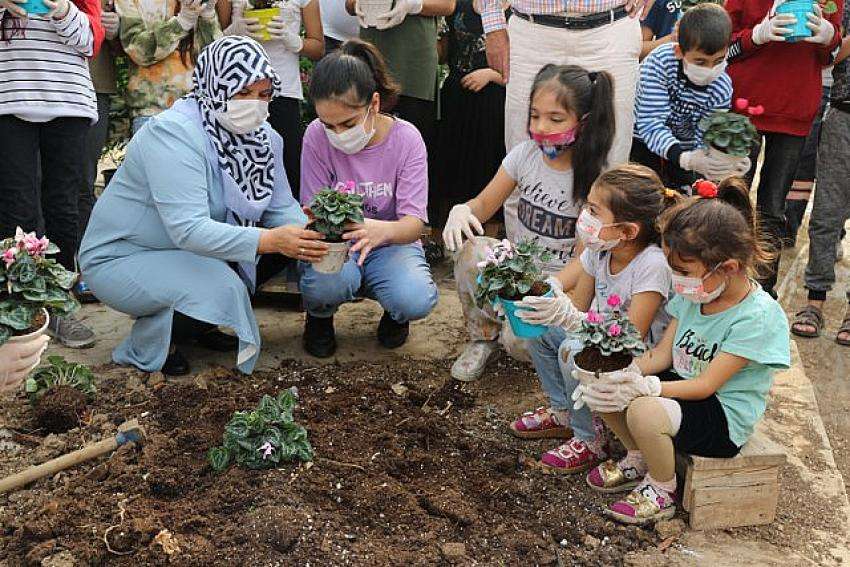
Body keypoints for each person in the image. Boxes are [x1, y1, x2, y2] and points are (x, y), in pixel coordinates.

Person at [80, 36, 326, 375]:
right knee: (229, 283)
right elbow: (188, 229)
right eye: (242, 93)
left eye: (263, 94)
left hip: (190, 253)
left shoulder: (266, 138)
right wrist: (270, 240)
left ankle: (200, 323)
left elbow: (280, 207)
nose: (255, 104)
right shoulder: (172, 134)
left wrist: (309, 235)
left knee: (280, 251)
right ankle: (155, 340)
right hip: (124, 256)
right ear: (215, 85)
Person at [574, 177, 790, 525]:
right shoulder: (698, 294)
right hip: (682, 388)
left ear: (729, 268)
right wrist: (622, 374)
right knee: (603, 380)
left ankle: (661, 489)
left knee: (643, 409)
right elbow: (662, 355)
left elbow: (706, 385)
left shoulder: (758, 317)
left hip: (722, 413)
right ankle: (638, 456)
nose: (677, 282)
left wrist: (648, 388)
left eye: (684, 272)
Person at [442, 64, 615, 382]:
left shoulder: (596, 179)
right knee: (471, 249)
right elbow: (483, 204)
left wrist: (549, 290)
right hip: (516, 271)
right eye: (535, 115)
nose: (542, 127)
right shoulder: (524, 156)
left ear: (584, 122)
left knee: (519, 343)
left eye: (556, 118)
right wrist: (462, 211)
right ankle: (483, 337)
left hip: (558, 288)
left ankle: (540, 347)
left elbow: (584, 261)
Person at [511, 165, 675, 473]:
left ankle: (590, 439)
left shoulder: (651, 265)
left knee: (574, 351)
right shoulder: (601, 248)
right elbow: (574, 299)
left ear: (628, 231)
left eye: (594, 211)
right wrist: (537, 296)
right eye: (587, 206)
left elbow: (630, 338)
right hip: (598, 337)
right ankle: (563, 412)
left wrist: (573, 321)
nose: (584, 216)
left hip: (634, 356)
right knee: (540, 329)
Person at [299, 39, 439, 358]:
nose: (337, 133)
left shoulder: (406, 139)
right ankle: (319, 316)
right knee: (326, 283)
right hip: (337, 246)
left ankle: (396, 313)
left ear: (374, 104)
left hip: (391, 245)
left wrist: (380, 231)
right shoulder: (315, 137)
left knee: (414, 298)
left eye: (347, 123)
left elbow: (414, 224)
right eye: (328, 124)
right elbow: (311, 211)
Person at [0, 0, 103, 348]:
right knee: (16, 208)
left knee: (65, 205)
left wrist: (61, 9)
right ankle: (24, 309)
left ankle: (59, 304)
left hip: (68, 100)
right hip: (10, 98)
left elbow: (90, 42)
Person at [725, 0, 843, 298]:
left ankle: (763, 292)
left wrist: (828, 36)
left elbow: (829, 56)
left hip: (795, 108)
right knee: (731, 199)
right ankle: (724, 282)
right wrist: (758, 34)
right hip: (743, 105)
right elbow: (724, 45)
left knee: (773, 207)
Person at [480, 0, 647, 184]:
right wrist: (493, 24)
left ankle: (601, 213)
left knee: (612, 154)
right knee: (522, 151)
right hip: (531, 32)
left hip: (612, 31)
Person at [631, 3, 745, 192]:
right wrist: (685, 158)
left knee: (686, 195)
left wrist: (724, 159)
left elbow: (706, 135)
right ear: (679, 51)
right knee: (641, 193)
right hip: (642, 141)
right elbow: (650, 123)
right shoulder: (659, 63)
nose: (710, 70)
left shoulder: (721, 87)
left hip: (686, 150)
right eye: (700, 61)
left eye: (718, 61)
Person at [790, 10, 850, 345]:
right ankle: (814, 302)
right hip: (842, 112)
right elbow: (826, 58)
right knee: (827, 212)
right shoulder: (842, 7)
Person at [224, 0, 324, 199]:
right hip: (238, 88)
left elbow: (318, 47)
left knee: (287, 166)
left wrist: (294, 40)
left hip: (284, 89)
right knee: (238, 163)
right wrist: (233, 32)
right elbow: (212, 37)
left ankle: (288, 223)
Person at [431, 0, 506, 230]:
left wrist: (491, 75)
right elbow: (442, 54)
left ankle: (487, 246)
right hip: (456, 97)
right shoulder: (458, 4)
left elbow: (525, 64)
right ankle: (440, 239)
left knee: (486, 170)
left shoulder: (517, 9)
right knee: (447, 167)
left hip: (493, 102)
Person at [346, 0, 455, 152]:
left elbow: (447, 5)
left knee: (409, 146)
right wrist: (358, 3)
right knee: (363, 144)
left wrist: (413, 5)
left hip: (413, 65)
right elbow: (349, 5)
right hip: (371, 59)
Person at [116, 0, 222, 133]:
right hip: (153, 112)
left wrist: (208, 14)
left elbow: (216, 61)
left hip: (200, 113)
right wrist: (181, 22)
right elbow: (138, 50)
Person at [77, 0, 121, 304]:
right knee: (29, 183)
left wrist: (117, 30)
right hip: (24, 84)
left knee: (81, 180)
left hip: (94, 83)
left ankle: (83, 271)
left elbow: (128, 45)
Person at [782, 66, 833, 249]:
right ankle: (788, 225)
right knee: (803, 161)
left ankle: (834, 234)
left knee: (834, 173)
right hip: (815, 83)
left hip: (835, 91)